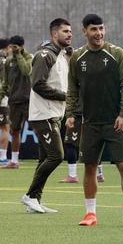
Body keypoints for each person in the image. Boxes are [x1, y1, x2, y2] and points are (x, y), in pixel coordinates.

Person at [65, 14, 123, 228]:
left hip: (115, 122)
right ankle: (90, 214)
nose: (99, 33)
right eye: (94, 29)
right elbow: (72, 89)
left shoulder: (117, 54)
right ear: (84, 31)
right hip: (90, 123)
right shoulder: (77, 58)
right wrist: (70, 113)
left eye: (101, 28)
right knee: (89, 167)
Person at [21, 18, 72, 214]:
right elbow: (37, 84)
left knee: (44, 158)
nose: (69, 34)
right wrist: (64, 97)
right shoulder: (45, 55)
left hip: (53, 113)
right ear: (54, 34)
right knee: (56, 156)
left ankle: (35, 200)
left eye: (70, 31)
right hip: (43, 114)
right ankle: (30, 195)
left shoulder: (60, 55)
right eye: (65, 31)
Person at [0, 35, 32, 169]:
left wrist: (19, 55)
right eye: (11, 47)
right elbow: (6, 81)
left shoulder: (29, 58)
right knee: (15, 130)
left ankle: (46, 158)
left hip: (28, 100)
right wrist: (0, 96)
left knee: (37, 128)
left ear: (22, 46)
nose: (11, 49)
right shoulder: (8, 61)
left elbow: (26, 71)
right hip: (14, 101)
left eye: (14, 47)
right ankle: (14, 161)